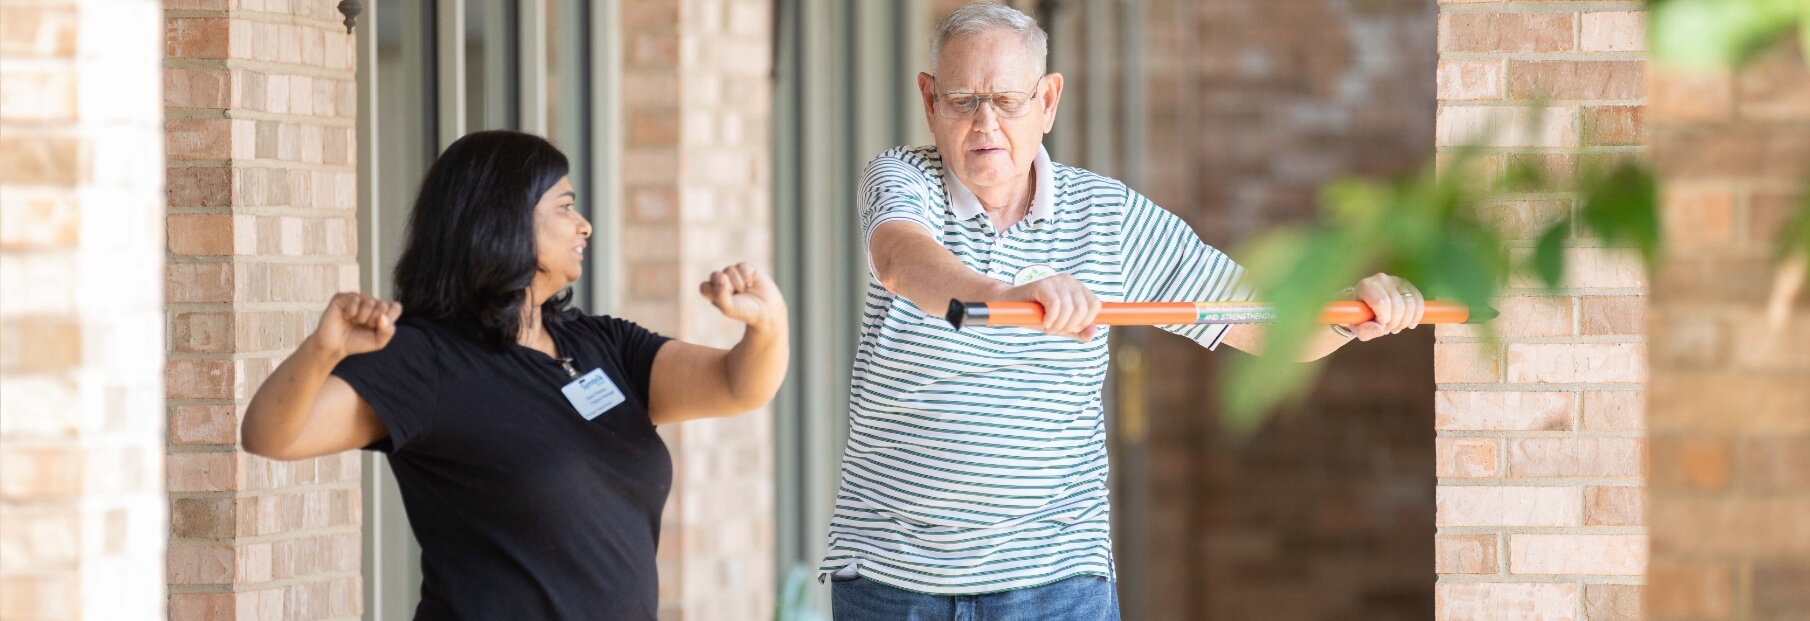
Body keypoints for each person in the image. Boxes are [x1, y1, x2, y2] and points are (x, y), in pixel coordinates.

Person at [820, 3, 1426, 619]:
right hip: (892, 579)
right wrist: (1005, 298)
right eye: (962, 100)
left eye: (1007, 100)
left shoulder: (1108, 218)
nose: (986, 124)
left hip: (1057, 582)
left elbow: (1261, 321)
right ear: (929, 100)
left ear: (1048, 101)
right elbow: (901, 259)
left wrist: (1356, 310)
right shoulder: (901, 178)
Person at [240, 130, 789, 620]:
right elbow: (270, 435)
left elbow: (738, 384)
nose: (585, 224)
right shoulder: (427, 360)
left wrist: (766, 324)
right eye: (566, 207)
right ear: (502, 218)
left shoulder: (601, 345)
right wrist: (322, 350)